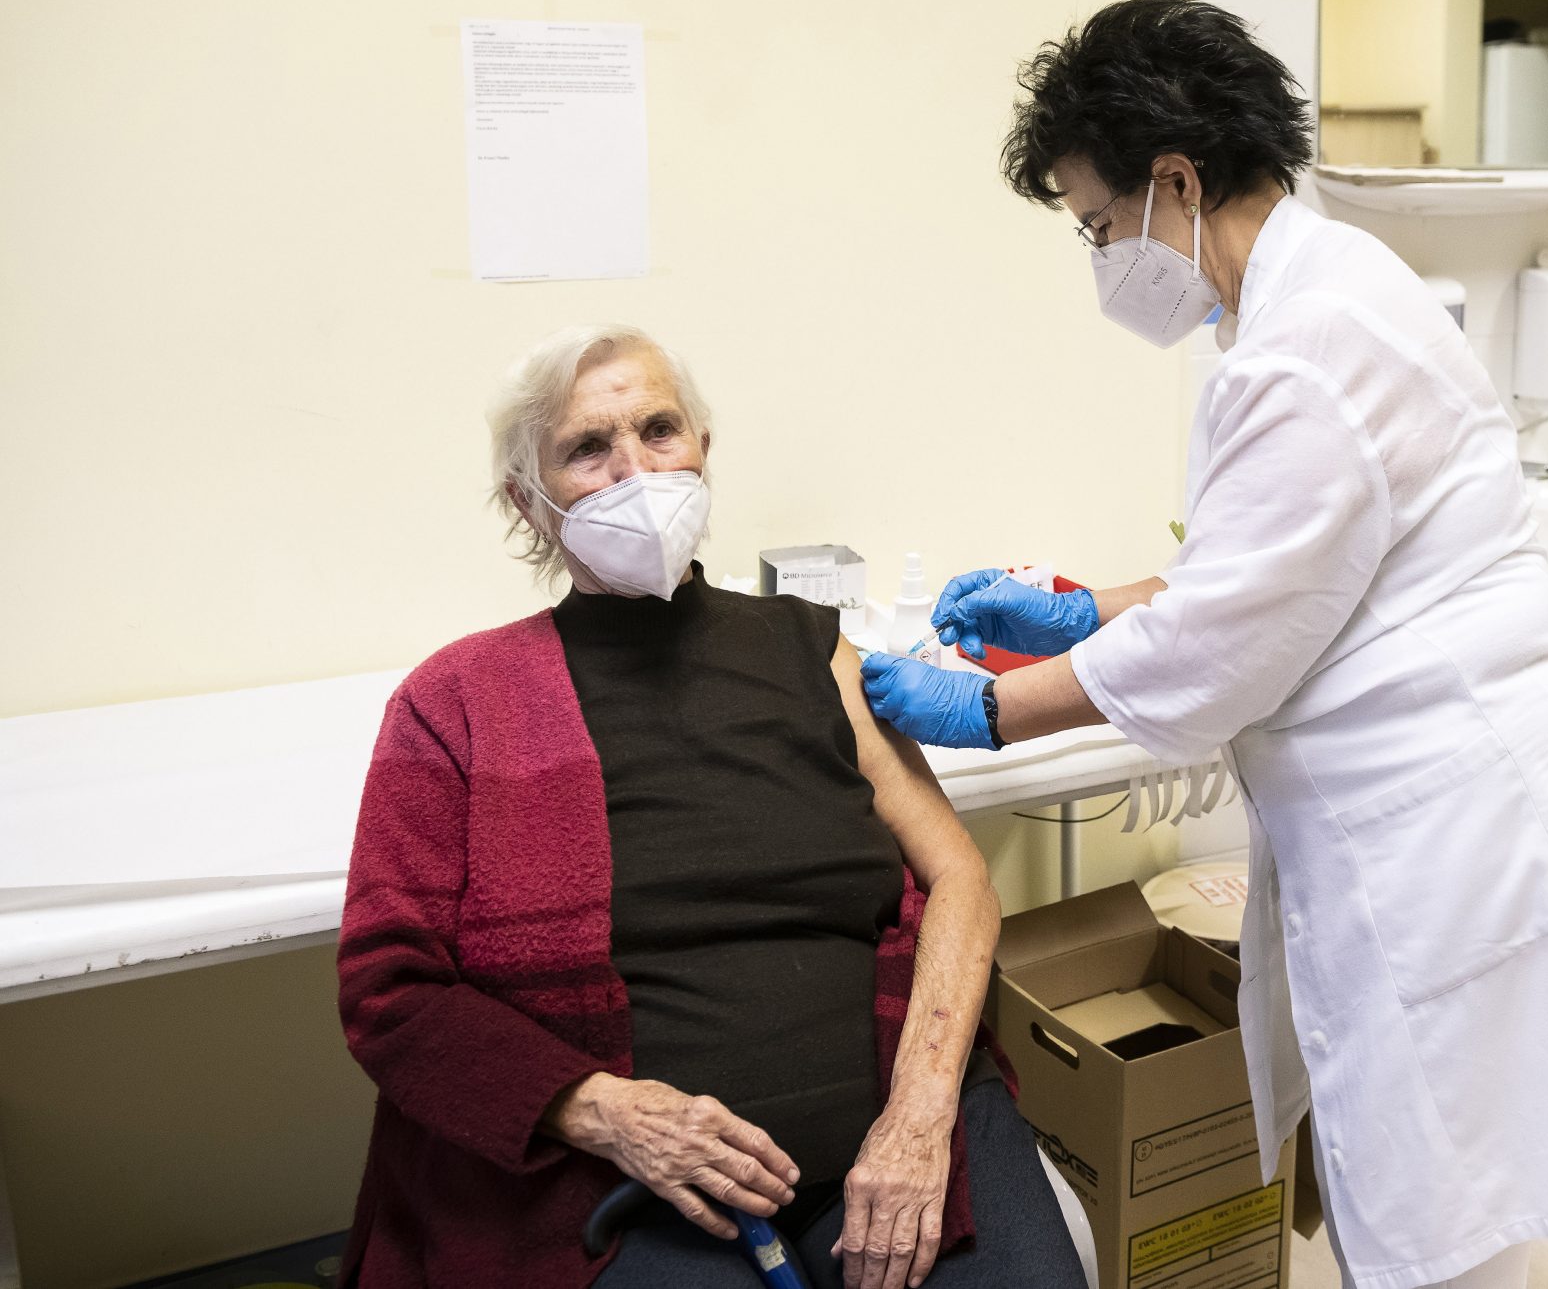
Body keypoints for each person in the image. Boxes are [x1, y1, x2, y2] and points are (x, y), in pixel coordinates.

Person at [861, 0, 1548, 1289]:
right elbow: (1275, 570)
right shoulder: (1320, 293)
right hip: (1449, 780)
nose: (1101, 256)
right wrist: (1089, 609)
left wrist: (985, 710)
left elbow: (1223, 637)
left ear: (1175, 181)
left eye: (1097, 225)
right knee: (1442, 1166)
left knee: (1440, 1183)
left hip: (1443, 805)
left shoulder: (1304, 351)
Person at [336, 324, 1087, 1289]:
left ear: (702, 449)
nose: (635, 470)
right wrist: (609, 1113)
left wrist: (921, 1111)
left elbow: (960, 879)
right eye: (587, 448)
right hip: (630, 1181)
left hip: (898, 1126)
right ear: (529, 502)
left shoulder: (812, 648)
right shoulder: (457, 702)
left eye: (659, 429)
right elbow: (388, 989)